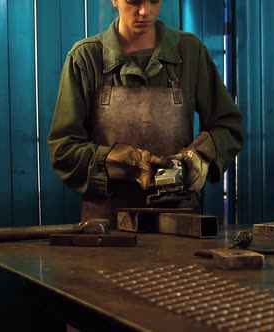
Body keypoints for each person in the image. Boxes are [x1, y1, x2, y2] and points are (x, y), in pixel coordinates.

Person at [48, 0, 243, 228]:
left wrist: (201, 156)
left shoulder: (190, 52)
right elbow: (64, 150)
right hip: (107, 232)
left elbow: (228, 128)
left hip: (181, 228)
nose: (145, 11)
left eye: (154, 0)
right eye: (134, 1)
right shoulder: (85, 58)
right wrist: (125, 161)